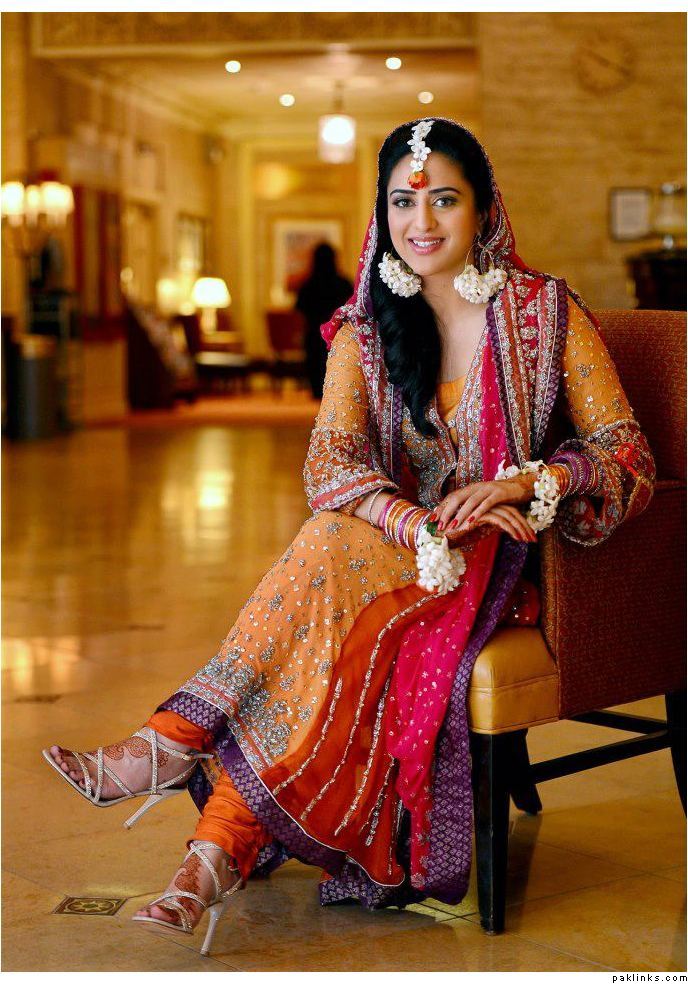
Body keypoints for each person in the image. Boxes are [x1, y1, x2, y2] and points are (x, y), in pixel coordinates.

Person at [44, 118, 656, 957]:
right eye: (403, 201)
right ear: (382, 211)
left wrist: (523, 482)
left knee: (326, 563)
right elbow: (330, 463)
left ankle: (178, 756)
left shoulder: (543, 313)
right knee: (332, 550)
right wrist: (414, 520)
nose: (422, 221)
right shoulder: (365, 329)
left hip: (500, 560)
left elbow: (626, 451)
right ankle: (208, 853)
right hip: (394, 546)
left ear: (484, 209)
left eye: (444, 199)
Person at [295, 242, 353, 399]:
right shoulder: (343, 283)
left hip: (313, 333)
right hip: (338, 334)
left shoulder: (307, 285)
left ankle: (316, 393)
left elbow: (299, 308)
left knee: (315, 364)